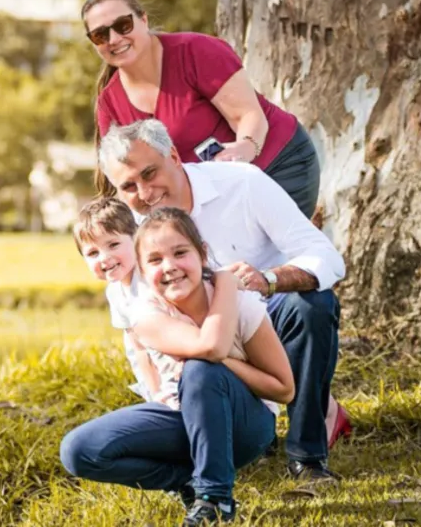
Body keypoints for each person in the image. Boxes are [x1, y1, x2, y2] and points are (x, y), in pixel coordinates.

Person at [94, 118, 347, 482]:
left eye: (150, 173)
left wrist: (268, 279)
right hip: (198, 351)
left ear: (174, 156)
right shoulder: (127, 231)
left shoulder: (242, 183)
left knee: (312, 306)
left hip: (263, 319)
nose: (145, 193)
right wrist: (158, 396)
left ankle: (307, 456)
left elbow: (325, 257)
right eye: (129, 186)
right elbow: (133, 329)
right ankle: (233, 442)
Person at [61, 207, 294, 525]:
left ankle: (214, 498)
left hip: (245, 427)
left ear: (202, 254)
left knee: (200, 370)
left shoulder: (239, 305)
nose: (169, 266)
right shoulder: (145, 315)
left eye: (180, 253)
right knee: (79, 450)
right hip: (183, 417)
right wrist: (226, 284)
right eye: (155, 260)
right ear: (143, 269)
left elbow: (284, 389)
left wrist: (223, 352)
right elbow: (210, 347)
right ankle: (185, 481)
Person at [81, 0, 321, 219]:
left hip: (279, 165)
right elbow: (121, 173)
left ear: (143, 19)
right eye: (100, 35)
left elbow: (247, 115)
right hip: (216, 193)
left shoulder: (195, 51)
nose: (114, 38)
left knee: (266, 247)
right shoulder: (109, 103)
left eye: (123, 25)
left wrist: (243, 150)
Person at [70, 196, 236, 405]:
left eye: (113, 244)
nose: (104, 257)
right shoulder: (115, 292)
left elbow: (191, 327)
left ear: (136, 240)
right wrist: (155, 393)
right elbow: (138, 348)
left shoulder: (155, 280)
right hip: (161, 369)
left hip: (193, 358)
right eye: (93, 253)